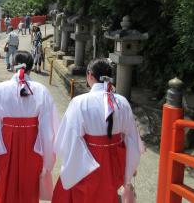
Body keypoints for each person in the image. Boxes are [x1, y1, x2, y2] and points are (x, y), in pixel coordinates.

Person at [52, 58, 144, 203]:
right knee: (108, 195)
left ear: (89, 75)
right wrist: (129, 170)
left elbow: (67, 140)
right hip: (113, 161)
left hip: (88, 162)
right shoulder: (122, 102)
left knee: (85, 196)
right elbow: (132, 140)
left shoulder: (79, 102)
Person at [0, 51, 59, 203]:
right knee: (29, 185)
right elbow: (48, 129)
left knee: (5, 182)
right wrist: (47, 160)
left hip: (6, 141)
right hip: (33, 143)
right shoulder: (41, 90)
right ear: (31, 68)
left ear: (13, 65)